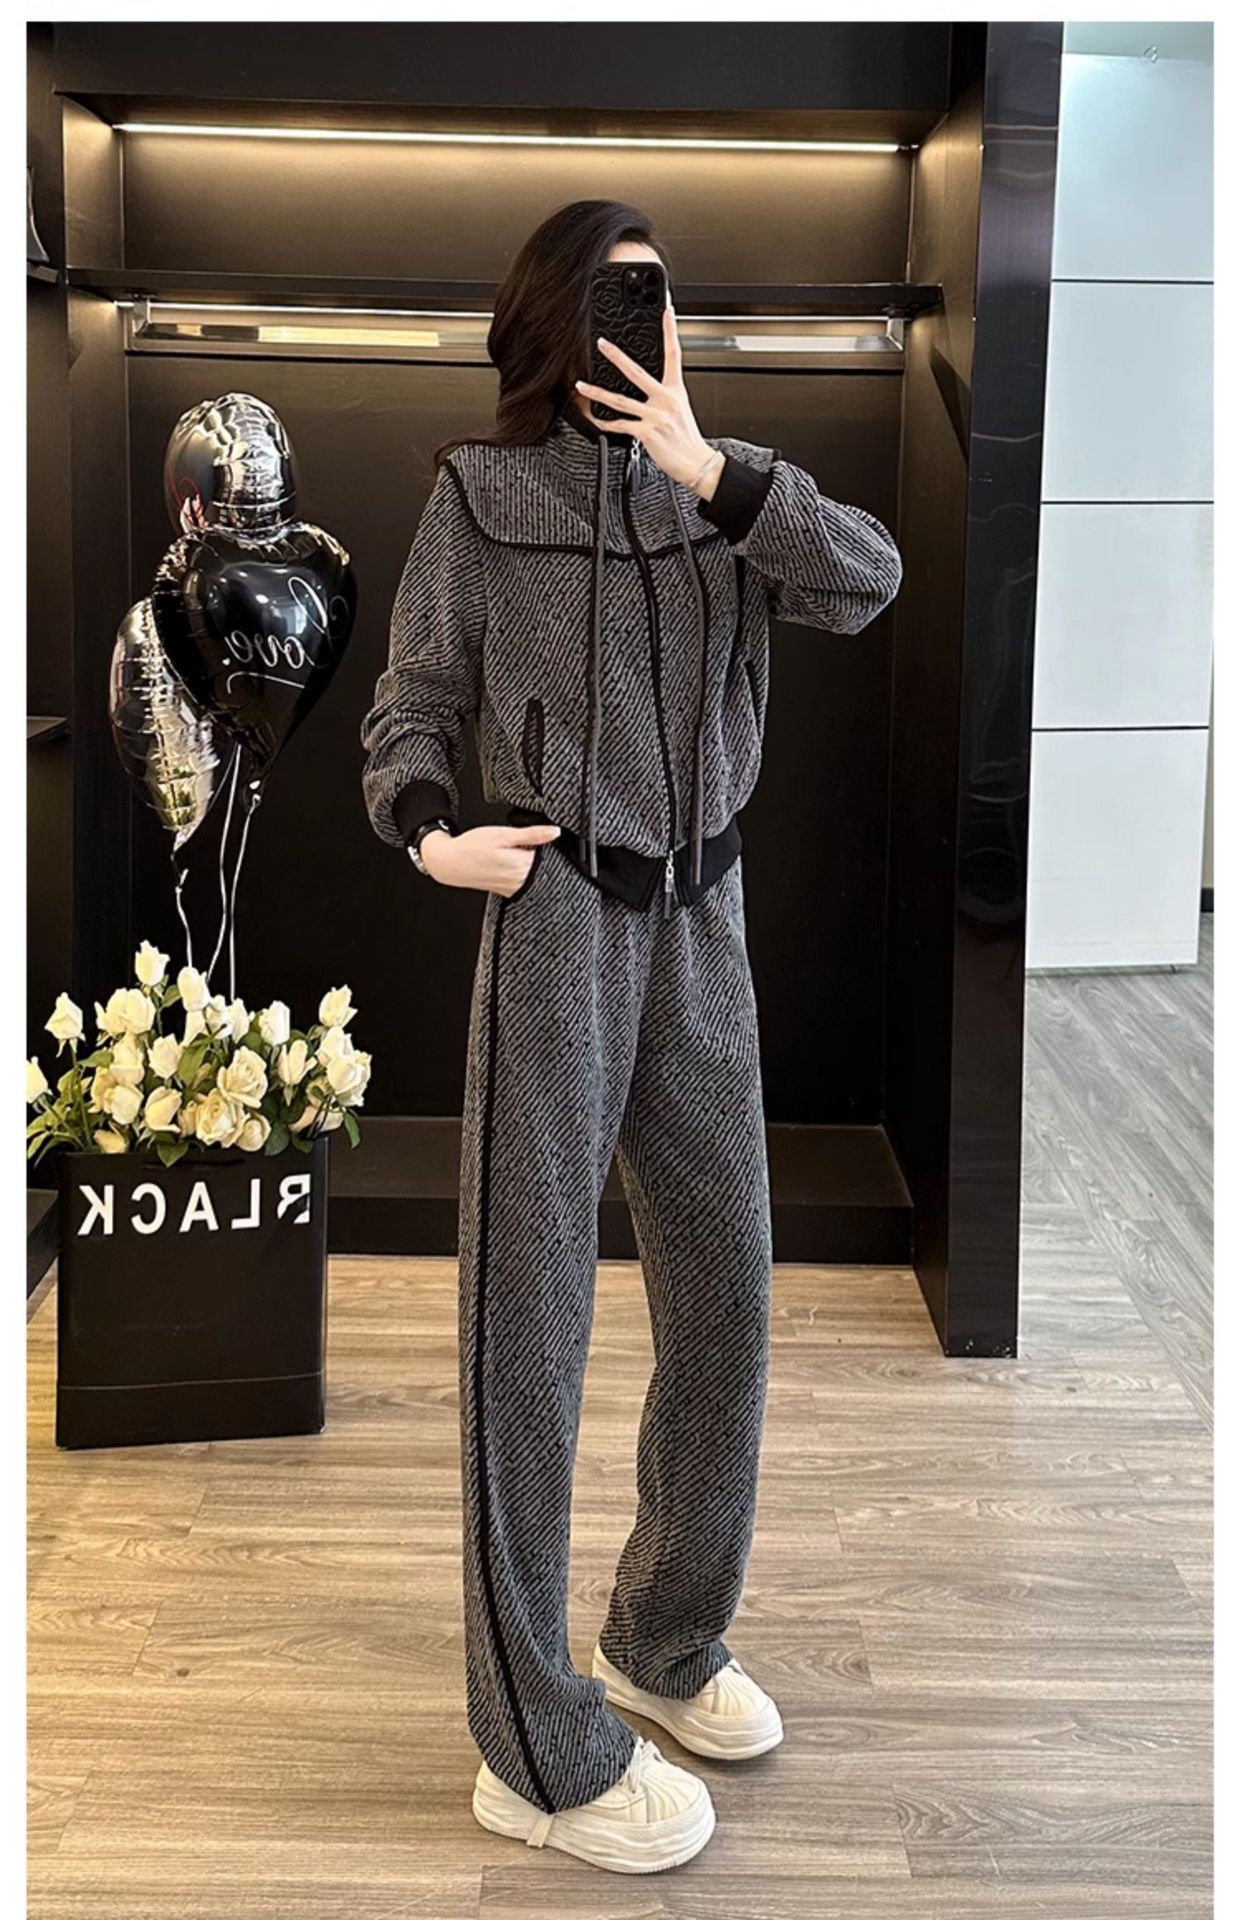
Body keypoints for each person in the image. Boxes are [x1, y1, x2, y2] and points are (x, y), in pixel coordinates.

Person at [359, 199, 903, 1876]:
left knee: (727, 1298)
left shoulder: (723, 492)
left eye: (662, 295)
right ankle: (532, 1746)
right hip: (556, 924)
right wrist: (430, 831)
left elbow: (870, 580)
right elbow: (410, 704)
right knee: (528, 1331)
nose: (646, 321)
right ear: (556, 314)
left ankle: (664, 1634)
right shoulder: (478, 495)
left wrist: (711, 469)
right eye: (618, 293)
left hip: (704, 926)